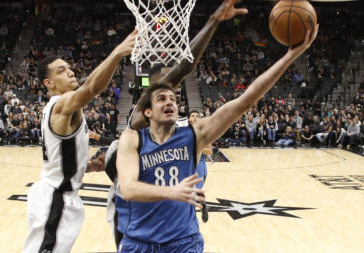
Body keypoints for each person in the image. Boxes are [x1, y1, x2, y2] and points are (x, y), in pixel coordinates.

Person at [116, 24, 319, 252]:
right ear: (148, 112)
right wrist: (173, 192)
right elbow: (129, 189)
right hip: (140, 243)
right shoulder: (132, 139)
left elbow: (245, 101)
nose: (170, 102)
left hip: (183, 242)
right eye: (162, 99)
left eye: (173, 98)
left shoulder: (194, 134)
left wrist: (290, 56)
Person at [105, 0, 249, 249]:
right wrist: (213, 21)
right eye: (162, 93)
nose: (169, 95)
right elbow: (186, 65)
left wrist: (187, 194)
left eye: (173, 96)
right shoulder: (139, 120)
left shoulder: (181, 126)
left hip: (174, 222)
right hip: (134, 213)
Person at [22, 30, 136, 253]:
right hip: (55, 197)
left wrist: (87, 167)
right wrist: (117, 53)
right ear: (49, 82)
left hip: (61, 195)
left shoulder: (64, 108)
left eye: (69, 67)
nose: (70, 72)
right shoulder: (61, 104)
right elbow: (92, 87)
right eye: (61, 71)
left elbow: (60, 158)